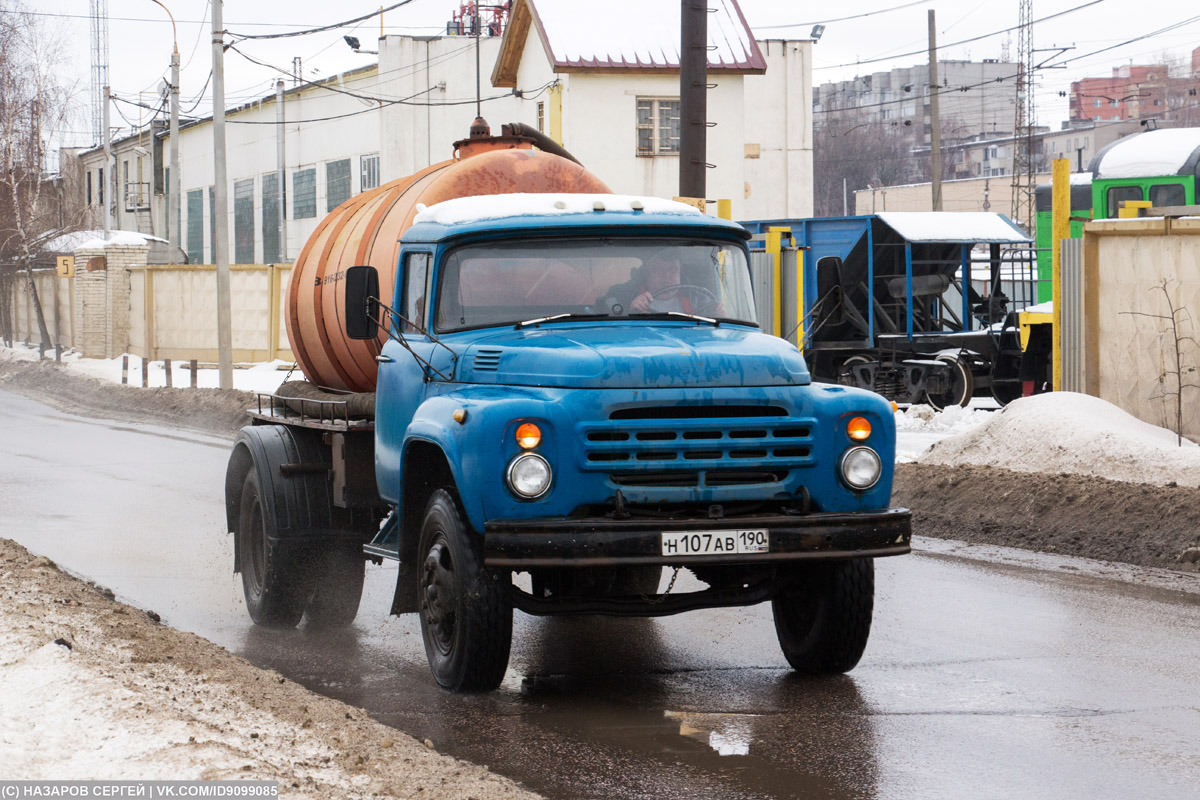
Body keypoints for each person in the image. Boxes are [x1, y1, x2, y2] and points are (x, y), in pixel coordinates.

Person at [600, 249, 698, 315]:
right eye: (658, 269)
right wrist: (629, 312)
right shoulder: (621, 296)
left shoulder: (699, 299)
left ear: (680, 274)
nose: (667, 276)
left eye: (673, 270)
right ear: (645, 275)